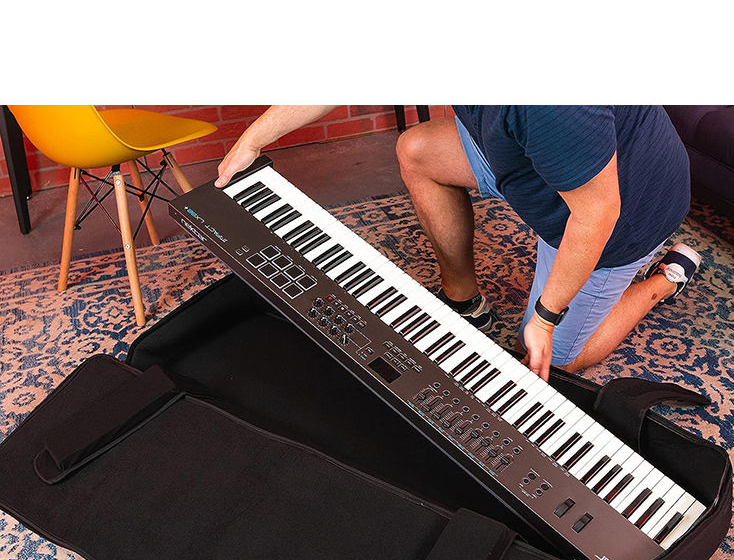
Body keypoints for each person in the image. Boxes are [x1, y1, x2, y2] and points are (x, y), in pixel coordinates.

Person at [216, 105, 699, 382]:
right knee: (418, 150)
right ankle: (464, 300)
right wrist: (251, 141)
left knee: (556, 357)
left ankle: (662, 281)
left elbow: (597, 212)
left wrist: (546, 318)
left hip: (624, 207)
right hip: (526, 157)